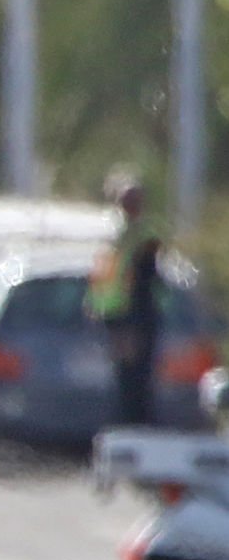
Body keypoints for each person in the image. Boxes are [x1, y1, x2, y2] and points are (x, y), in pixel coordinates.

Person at [88, 171, 164, 426]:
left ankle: (136, 422)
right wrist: (98, 306)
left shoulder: (139, 233)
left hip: (135, 312)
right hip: (122, 313)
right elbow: (106, 276)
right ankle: (129, 422)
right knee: (126, 374)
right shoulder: (117, 234)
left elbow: (149, 275)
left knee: (136, 375)